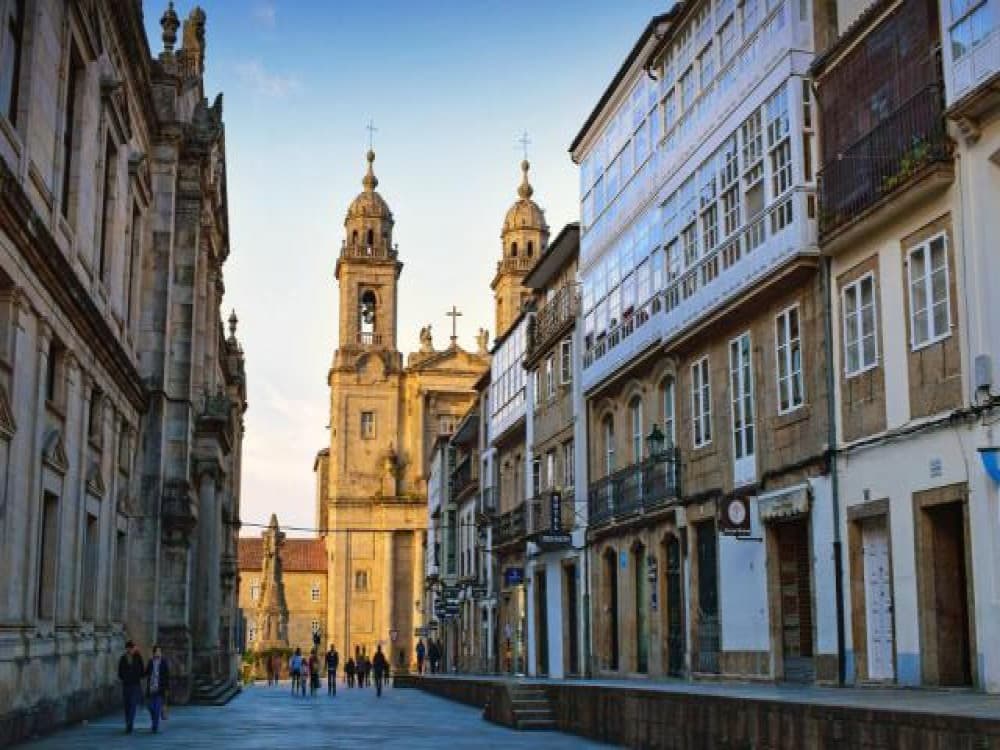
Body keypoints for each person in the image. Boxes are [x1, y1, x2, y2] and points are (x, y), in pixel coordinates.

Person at [118, 640, 144, 734]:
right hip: (126, 684)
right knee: (127, 705)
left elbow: (142, 670)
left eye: (133, 648)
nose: (132, 649)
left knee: (133, 704)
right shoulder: (123, 658)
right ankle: (128, 723)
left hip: (135, 684)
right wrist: (125, 677)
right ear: (127, 648)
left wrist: (137, 676)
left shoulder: (138, 657)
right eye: (130, 648)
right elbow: (120, 671)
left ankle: (130, 723)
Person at [145, 644, 170, 734]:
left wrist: (167, 688)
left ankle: (155, 726)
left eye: (160, 651)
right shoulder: (150, 662)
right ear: (154, 653)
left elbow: (167, 676)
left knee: (157, 708)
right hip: (151, 688)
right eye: (157, 651)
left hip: (160, 689)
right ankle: (154, 721)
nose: (159, 653)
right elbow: (146, 673)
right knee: (150, 707)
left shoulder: (164, 662)